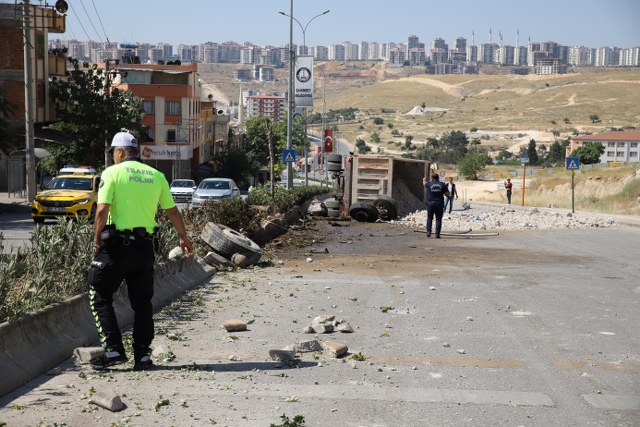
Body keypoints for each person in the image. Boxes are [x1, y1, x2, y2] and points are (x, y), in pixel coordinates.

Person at [87, 131, 193, 371]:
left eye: (113, 152)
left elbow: (102, 210)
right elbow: (172, 212)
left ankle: (113, 350)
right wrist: (184, 238)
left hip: (115, 248)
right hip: (144, 249)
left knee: (99, 294)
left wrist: (96, 240)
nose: (113, 156)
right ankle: (143, 356)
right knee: (142, 304)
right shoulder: (157, 175)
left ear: (120, 152)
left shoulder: (112, 173)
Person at [423, 173, 450, 238]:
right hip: (439, 204)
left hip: (431, 204)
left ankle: (428, 232)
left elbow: (424, 184)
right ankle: (437, 234)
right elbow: (447, 194)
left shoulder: (429, 184)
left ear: (432, 178)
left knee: (429, 218)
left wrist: (423, 179)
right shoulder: (442, 184)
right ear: (438, 178)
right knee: (438, 219)